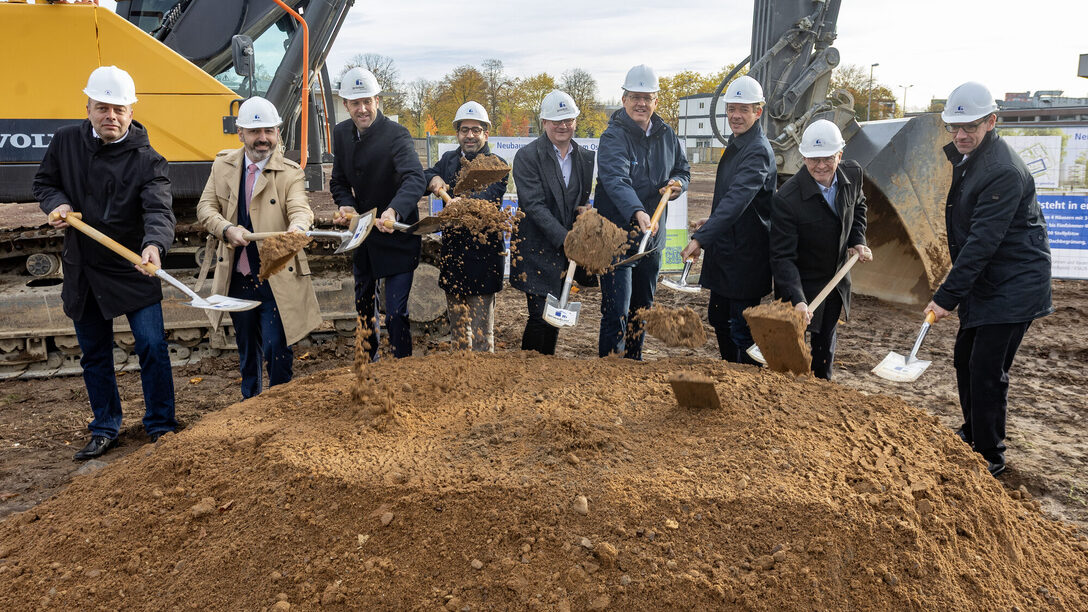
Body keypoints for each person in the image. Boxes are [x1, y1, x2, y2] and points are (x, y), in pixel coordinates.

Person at [33, 66, 177, 460]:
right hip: (84, 268)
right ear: (88, 108)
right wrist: (56, 203)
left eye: (118, 109)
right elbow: (44, 182)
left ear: (131, 111)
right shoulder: (65, 143)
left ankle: (162, 425)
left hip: (133, 266)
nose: (110, 116)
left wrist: (154, 246)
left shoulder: (148, 160)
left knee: (151, 346)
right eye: (102, 108)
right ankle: (105, 426)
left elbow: (159, 211)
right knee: (94, 353)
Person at [925, 81, 1053, 478]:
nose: (961, 135)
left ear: (992, 121)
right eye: (954, 127)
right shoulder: (973, 158)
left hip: (1015, 284)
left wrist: (946, 297)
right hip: (989, 281)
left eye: (971, 127)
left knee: (985, 368)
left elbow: (982, 243)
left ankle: (991, 455)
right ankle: (973, 433)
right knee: (965, 357)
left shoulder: (1000, 170)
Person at [196, 96, 322, 398]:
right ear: (241, 134)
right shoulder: (223, 166)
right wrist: (226, 229)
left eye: (268, 131)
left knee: (277, 346)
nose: (262, 138)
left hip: (274, 275)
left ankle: (280, 403)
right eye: (255, 132)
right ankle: (250, 403)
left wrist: (297, 229)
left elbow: (300, 208)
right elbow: (206, 207)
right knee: (246, 347)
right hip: (238, 277)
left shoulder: (290, 172)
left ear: (278, 132)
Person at [331, 67, 426, 359]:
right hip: (365, 234)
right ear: (345, 104)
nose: (362, 109)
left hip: (396, 232)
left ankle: (402, 368)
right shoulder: (341, 133)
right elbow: (339, 180)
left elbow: (415, 178)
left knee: (396, 312)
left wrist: (395, 210)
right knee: (363, 307)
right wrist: (346, 204)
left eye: (367, 101)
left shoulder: (397, 135)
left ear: (378, 100)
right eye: (355, 103)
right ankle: (368, 366)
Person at [595, 64, 690, 359]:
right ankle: (610, 369)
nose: (641, 103)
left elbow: (682, 170)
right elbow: (615, 179)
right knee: (617, 310)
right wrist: (637, 211)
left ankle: (633, 364)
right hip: (618, 237)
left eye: (647, 97)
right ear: (624, 99)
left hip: (652, 240)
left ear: (656, 101)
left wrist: (678, 184)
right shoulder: (613, 137)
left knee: (642, 308)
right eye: (635, 96)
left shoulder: (666, 134)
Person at [680, 75, 776, 364]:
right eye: (731, 108)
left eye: (743, 110)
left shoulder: (757, 149)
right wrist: (709, 223)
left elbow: (737, 201)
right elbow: (732, 199)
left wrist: (700, 239)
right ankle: (730, 372)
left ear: (757, 112)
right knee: (719, 318)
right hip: (728, 249)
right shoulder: (739, 144)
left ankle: (745, 385)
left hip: (746, 256)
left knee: (741, 328)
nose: (735, 116)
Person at [769, 120, 872, 380]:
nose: (821, 166)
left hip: (834, 283)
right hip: (799, 285)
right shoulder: (787, 199)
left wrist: (856, 239)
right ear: (803, 157)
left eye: (827, 158)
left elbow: (858, 204)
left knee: (823, 354)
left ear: (840, 154)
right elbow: (783, 257)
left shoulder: (853, 174)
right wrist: (798, 299)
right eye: (813, 159)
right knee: (790, 366)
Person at [510, 90, 595, 355]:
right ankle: (528, 368)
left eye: (568, 119)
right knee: (538, 316)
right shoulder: (527, 156)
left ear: (575, 121)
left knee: (556, 314)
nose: (563, 125)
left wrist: (585, 213)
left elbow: (580, 199)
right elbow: (534, 206)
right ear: (544, 122)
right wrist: (567, 240)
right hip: (536, 248)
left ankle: (546, 367)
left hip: (565, 254)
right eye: (556, 120)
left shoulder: (585, 158)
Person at [424, 101, 509, 352]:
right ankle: (461, 381)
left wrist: (463, 204)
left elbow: (489, 197)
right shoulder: (448, 160)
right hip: (454, 256)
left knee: (483, 335)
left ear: (486, 132)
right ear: (458, 133)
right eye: (464, 130)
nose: (469, 135)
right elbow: (426, 176)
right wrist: (433, 178)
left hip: (484, 258)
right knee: (459, 333)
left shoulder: (497, 164)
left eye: (475, 129)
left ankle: (483, 384)